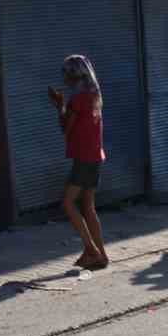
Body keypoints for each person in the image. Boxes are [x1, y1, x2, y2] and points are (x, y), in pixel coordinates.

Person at [48, 54, 109, 270]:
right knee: (88, 206)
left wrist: (59, 106)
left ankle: (92, 250)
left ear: (74, 76)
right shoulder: (94, 95)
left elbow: (66, 128)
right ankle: (100, 254)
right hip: (95, 155)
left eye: (65, 74)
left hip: (83, 157)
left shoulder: (78, 100)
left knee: (68, 203)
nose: (63, 79)